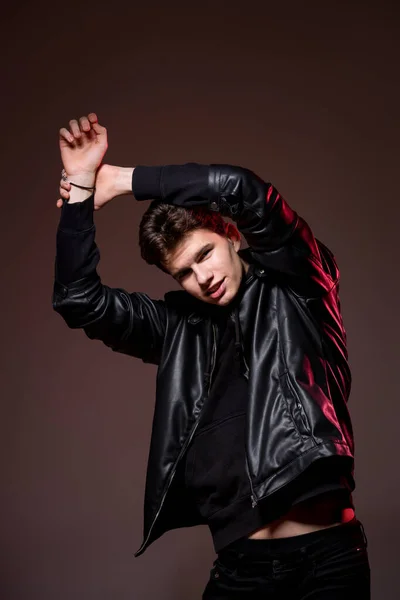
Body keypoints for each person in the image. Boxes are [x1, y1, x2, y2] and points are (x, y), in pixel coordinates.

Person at [53, 113, 370, 599]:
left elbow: (245, 189)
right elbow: (78, 298)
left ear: (230, 233)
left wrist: (122, 180)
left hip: (325, 563)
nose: (201, 277)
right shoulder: (179, 329)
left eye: (204, 254)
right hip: (239, 571)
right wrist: (78, 189)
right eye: (183, 272)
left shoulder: (300, 284)